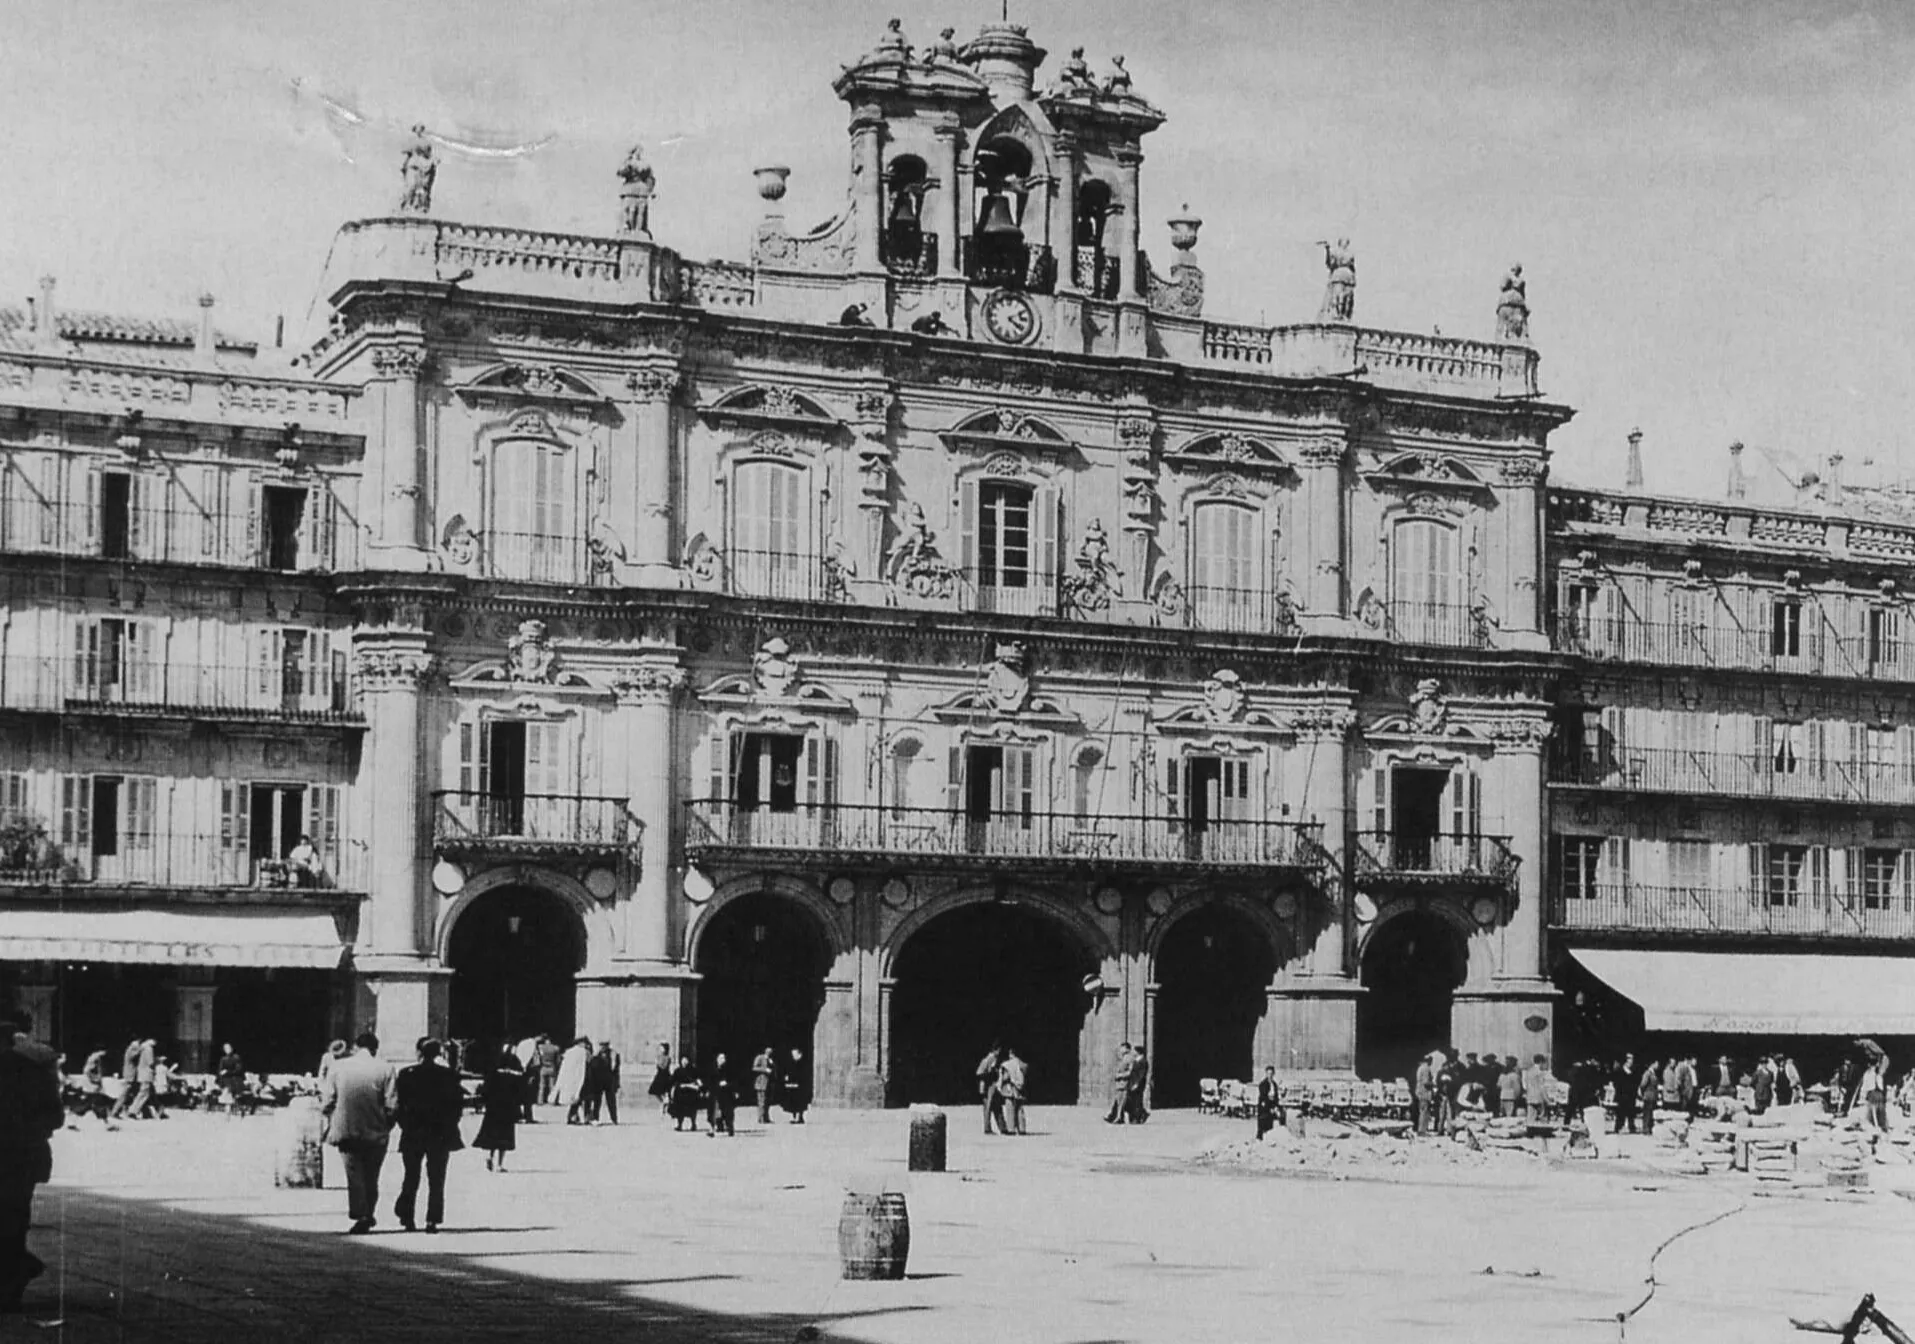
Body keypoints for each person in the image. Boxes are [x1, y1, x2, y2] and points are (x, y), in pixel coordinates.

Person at [0, 1012, 63, 1314]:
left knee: (11, 1220)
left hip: (16, 1155)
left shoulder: (26, 1070)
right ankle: (16, 1274)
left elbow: (53, 1116)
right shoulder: (36, 1069)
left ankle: (15, 1275)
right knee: (13, 1220)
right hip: (24, 1155)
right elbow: (55, 1116)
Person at [322, 1031, 398, 1235]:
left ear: (355, 1047)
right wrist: (386, 1125)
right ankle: (368, 1212)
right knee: (372, 1175)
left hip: (346, 1128)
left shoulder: (338, 1067)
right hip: (376, 1130)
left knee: (354, 1174)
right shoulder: (386, 1068)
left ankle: (362, 1214)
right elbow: (392, 1103)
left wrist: (331, 1117)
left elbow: (328, 1100)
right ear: (375, 1049)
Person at [392, 1037, 465, 1233]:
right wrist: (450, 1125)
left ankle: (407, 1216)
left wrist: (405, 1125)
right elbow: (457, 1105)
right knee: (437, 1178)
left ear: (418, 1053)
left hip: (413, 1132)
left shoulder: (407, 1074)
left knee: (411, 1176)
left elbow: (399, 1104)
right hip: (439, 1133)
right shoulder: (449, 1075)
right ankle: (432, 1219)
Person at [473, 1048, 523, 1173]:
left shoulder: (492, 1074)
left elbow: (485, 1091)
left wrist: (483, 1103)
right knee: (505, 1137)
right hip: (507, 1110)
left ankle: (489, 1156)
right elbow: (520, 1094)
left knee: (492, 1135)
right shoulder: (514, 1078)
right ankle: (500, 1164)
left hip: (493, 1110)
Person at [554, 1037, 591, 1124]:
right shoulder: (584, 1052)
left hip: (571, 1079)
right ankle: (584, 1118)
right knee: (585, 1100)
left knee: (575, 1100)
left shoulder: (569, 1052)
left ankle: (572, 1117)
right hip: (583, 1078)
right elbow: (588, 1063)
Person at [976, 1044, 1007, 1135]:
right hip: (988, 1086)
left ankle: (1002, 1127)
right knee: (988, 1108)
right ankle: (988, 1128)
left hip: (993, 1085)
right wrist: (991, 1074)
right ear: (995, 1050)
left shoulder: (994, 1059)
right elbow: (979, 1073)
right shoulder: (987, 1060)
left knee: (997, 1106)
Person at [588, 1041, 621, 1125]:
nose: (602, 1047)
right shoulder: (596, 1055)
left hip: (609, 1081)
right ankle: (595, 1117)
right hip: (598, 1081)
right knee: (597, 1101)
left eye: (604, 1045)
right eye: (601, 1045)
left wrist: (616, 1083)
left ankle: (614, 1118)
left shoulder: (613, 1054)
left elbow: (616, 1070)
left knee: (611, 1101)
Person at [998, 1048, 1029, 1136]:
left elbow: (1005, 1077)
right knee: (1020, 1109)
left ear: (1011, 1053)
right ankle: (1022, 1129)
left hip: (1009, 1089)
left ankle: (1011, 1129)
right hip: (1019, 1089)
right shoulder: (1023, 1064)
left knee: (1010, 1109)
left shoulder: (1007, 1065)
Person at [669, 1055, 703, 1132]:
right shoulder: (677, 1071)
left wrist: (700, 1086)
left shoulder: (693, 1070)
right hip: (681, 1092)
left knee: (692, 1109)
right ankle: (679, 1124)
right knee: (680, 1109)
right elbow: (672, 1081)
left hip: (691, 1092)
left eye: (686, 1060)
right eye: (683, 1060)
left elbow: (697, 1079)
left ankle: (693, 1124)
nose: (684, 1062)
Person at [707, 1053, 737, 1137]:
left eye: (723, 1058)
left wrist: (727, 1083)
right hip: (715, 1093)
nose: (722, 1060)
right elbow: (709, 1080)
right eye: (720, 1058)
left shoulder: (729, 1069)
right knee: (713, 1112)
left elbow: (734, 1080)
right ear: (717, 1059)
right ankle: (712, 1129)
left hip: (726, 1093)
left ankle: (730, 1128)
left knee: (727, 1112)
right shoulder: (712, 1069)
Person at [1104, 1043, 1134, 1125]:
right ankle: (1117, 1116)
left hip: (1125, 1083)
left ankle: (1119, 1117)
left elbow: (1130, 1072)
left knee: (1122, 1102)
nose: (1121, 1050)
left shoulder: (1130, 1058)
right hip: (1120, 1083)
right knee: (1118, 1101)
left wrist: (1120, 1075)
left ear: (1127, 1049)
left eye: (1122, 1048)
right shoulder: (1123, 1058)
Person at [783, 1048, 811, 1124]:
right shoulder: (791, 1063)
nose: (793, 1056)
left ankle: (799, 1117)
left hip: (801, 1086)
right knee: (792, 1102)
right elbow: (788, 1072)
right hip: (792, 1086)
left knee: (800, 1103)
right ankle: (794, 1117)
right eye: (792, 1055)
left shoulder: (803, 1063)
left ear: (799, 1054)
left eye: (794, 1054)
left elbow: (805, 1075)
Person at [1613, 1053, 1638, 1134]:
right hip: (1622, 1095)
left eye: (1632, 1060)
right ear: (1626, 1061)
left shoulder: (1633, 1072)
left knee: (1631, 1112)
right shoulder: (1620, 1071)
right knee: (1620, 1113)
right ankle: (1618, 1127)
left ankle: (1631, 1127)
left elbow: (1635, 1083)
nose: (1631, 1062)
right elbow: (1616, 1083)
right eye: (1630, 1060)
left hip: (1631, 1096)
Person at [1123, 1047, 1150, 1124]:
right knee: (1131, 1100)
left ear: (1138, 1052)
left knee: (1137, 1101)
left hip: (1138, 1084)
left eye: (1134, 1051)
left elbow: (1141, 1074)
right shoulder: (1136, 1060)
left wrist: (1136, 1083)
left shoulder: (1143, 1061)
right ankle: (1138, 1115)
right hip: (1132, 1083)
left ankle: (1137, 1118)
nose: (1133, 1052)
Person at [752, 1046, 778, 1124]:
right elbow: (754, 1068)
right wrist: (764, 1069)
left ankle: (766, 1117)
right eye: (768, 1052)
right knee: (761, 1101)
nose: (769, 1053)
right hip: (761, 1083)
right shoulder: (760, 1058)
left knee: (768, 1101)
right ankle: (761, 1118)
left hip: (769, 1083)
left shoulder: (771, 1060)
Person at [1255, 1065, 1282, 1141]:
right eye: (1268, 1073)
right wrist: (1269, 1107)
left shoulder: (1274, 1084)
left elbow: (1276, 1096)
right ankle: (1260, 1138)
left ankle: (1269, 1138)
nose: (1270, 1075)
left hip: (1272, 1105)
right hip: (1264, 1106)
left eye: (1271, 1073)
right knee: (1262, 1123)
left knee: (1270, 1123)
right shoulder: (1263, 1084)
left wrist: (1276, 1106)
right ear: (1266, 1074)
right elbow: (1263, 1096)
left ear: (1273, 1074)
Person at [1638, 1058, 1661, 1137]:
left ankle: (1649, 1128)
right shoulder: (1647, 1073)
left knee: (1651, 1113)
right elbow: (1643, 1084)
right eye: (1657, 1064)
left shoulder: (1653, 1073)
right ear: (1653, 1064)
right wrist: (1643, 1093)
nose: (1658, 1066)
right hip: (1648, 1096)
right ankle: (1645, 1129)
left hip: (1653, 1096)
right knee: (1647, 1113)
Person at [1412, 1053, 1435, 1135]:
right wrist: (1433, 1084)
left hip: (1419, 1092)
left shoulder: (1420, 1068)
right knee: (1424, 1112)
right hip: (1425, 1093)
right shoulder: (1426, 1069)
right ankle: (1422, 1130)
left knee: (1422, 1111)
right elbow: (1426, 1082)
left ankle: (1420, 1129)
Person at [536, 1035, 561, 1108]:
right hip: (552, 1067)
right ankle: (552, 1100)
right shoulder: (555, 1048)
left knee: (541, 1085)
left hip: (543, 1067)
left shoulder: (541, 1047)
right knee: (552, 1085)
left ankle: (540, 1101)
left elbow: (538, 1058)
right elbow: (558, 1060)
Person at [648, 1043, 673, 1117]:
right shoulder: (659, 1057)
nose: (661, 1050)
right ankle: (664, 1101)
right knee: (655, 1091)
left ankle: (665, 1104)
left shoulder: (667, 1058)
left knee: (664, 1090)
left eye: (662, 1048)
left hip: (664, 1075)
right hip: (659, 1075)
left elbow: (663, 1066)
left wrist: (658, 1063)